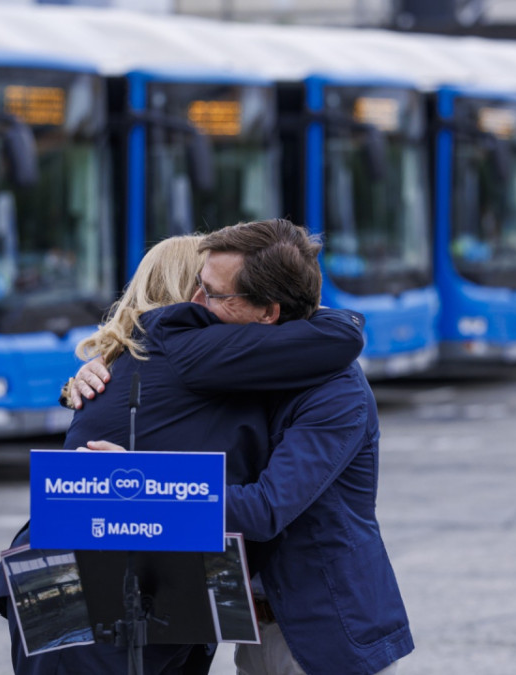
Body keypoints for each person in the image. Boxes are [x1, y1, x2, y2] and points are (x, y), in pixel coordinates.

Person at [0, 225, 367, 674]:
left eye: (216, 291)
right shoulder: (187, 343)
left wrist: (73, 385)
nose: (204, 301)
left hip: (77, 574)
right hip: (113, 583)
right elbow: (338, 338)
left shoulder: (137, 359)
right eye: (200, 287)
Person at [71, 221, 414, 675]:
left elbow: (266, 509)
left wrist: (145, 484)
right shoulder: (241, 367)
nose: (195, 303)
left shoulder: (336, 392)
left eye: (212, 294)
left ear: (268, 313)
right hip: (256, 632)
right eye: (197, 284)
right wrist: (91, 375)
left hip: (320, 640)